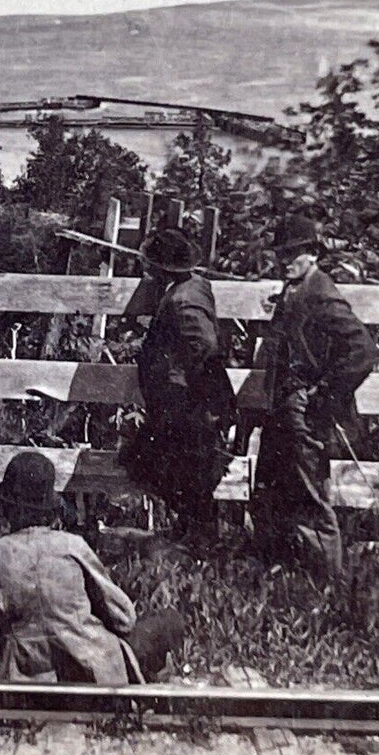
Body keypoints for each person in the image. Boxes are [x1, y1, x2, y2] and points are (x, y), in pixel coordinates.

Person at [0, 450, 179, 683]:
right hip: (92, 672)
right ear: (49, 507)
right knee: (168, 621)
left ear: (6, 508)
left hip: (23, 675)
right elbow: (123, 617)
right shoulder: (73, 546)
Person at [252, 214, 379, 579]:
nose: (285, 260)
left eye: (294, 253)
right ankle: (278, 570)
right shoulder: (294, 289)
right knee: (271, 489)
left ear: (313, 254)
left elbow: (362, 351)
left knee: (310, 495)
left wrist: (323, 394)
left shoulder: (321, 293)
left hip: (304, 411)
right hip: (282, 406)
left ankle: (327, 581)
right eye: (281, 253)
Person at [118, 227, 235, 548]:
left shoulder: (183, 301)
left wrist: (187, 392)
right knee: (185, 475)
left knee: (175, 471)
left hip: (187, 406)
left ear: (162, 269)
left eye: (151, 264)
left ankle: (199, 545)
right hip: (187, 405)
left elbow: (205, 347)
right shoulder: (193, 286)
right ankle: (192, 539)